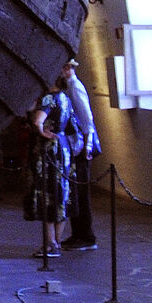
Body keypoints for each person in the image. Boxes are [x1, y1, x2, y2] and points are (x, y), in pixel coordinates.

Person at [23, 83, 75, 255]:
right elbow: (72, 126)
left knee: (47, 193)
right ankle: (57, 241)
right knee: (61, 195)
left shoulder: (48, 98)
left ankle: (50, 243)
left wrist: (40, 131)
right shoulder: (65, 98)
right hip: (63, 148)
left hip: (48, 150)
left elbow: (38, 120)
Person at [60, 54, 99, 249]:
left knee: (80, 193)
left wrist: (87, 146)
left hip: (80, 148)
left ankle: (86, 235)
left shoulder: (75, 87)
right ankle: (79, 233)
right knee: (76, 192)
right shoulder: (70, 87)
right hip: (77, 146)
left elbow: (86, 118)